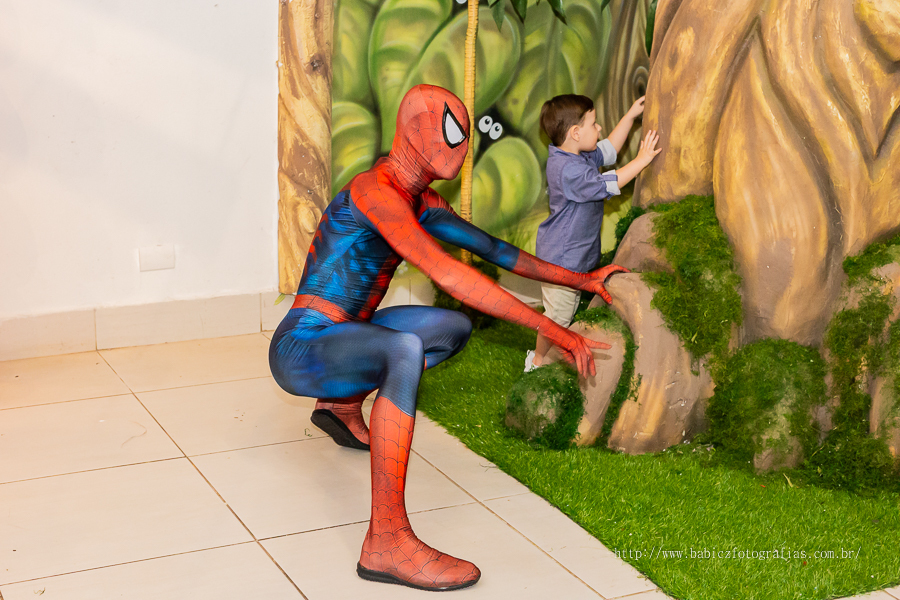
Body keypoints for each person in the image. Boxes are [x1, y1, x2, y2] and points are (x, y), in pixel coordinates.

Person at [269, 84, 627, 592]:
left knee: (450, 330)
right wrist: (552, 329)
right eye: (453, 130)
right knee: (402, 347)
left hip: (343, 337)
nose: (463, 145)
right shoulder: (377, 192)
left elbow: (498, 252)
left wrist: (580, 279)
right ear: (416, 129)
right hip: (301, 346)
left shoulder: (420, 200)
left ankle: (339, 404)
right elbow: (448, 274)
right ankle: (386, 542)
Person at [525, 94, 661, 371]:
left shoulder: (579, 154)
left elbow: (609, 149)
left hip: (574, 257)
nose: (598, 129)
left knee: (565, 312)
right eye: (594, 124)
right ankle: (537, 361)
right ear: (575, 133)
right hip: (560, 261)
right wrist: (642, 160)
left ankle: (547, 356)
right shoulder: (567, 169)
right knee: (557, 317)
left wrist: (631, 115)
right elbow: (607, 183)